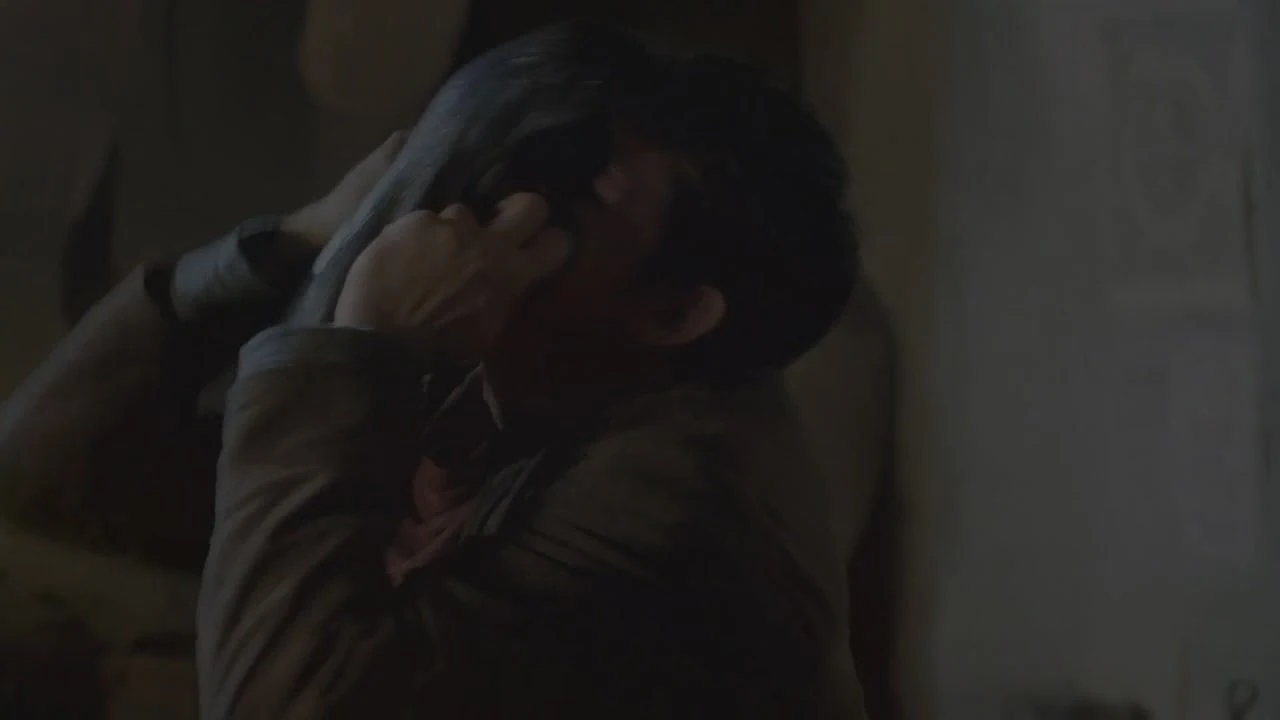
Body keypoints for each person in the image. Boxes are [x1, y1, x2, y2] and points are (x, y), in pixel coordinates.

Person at [3, 22, 867, 719]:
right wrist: (293, 242)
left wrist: (362, 341)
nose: (477, 217)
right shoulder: (518, 368)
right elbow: (46, 467)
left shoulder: (679, 506)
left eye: (560, 207)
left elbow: (280, 706)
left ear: (673, 313)